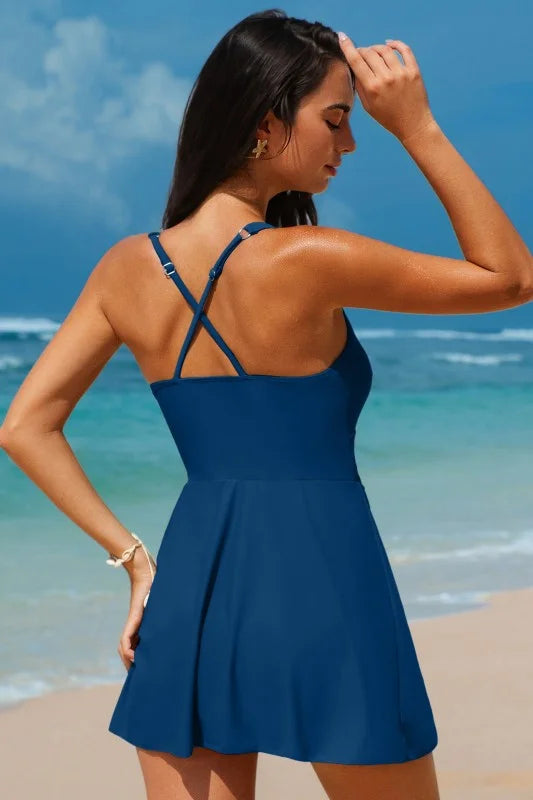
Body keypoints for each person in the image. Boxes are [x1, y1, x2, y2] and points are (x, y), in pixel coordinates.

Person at [1, 10, 531, 800]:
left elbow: (25, 427)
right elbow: (509, 277)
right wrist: (415, 127)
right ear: (264, 123)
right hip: (328, 581)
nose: (349, 143)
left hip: (193, 588)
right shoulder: (311, 258)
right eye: (335, 119)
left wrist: (135, 562)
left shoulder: (125, 269)